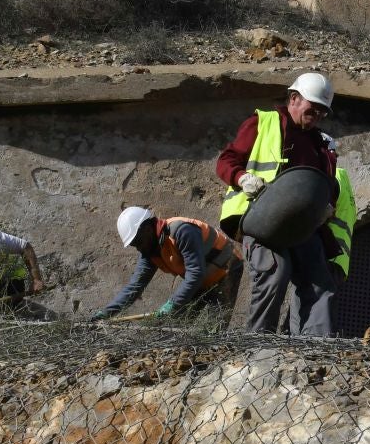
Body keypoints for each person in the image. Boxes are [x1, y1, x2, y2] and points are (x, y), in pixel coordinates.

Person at [217, 72, 340, 334]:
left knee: (319, 282)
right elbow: (226, 161)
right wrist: (242, 178)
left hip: (302, 225)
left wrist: (326, 206)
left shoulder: (321, 146)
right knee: (276, 272)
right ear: (294, 98)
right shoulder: (263, 123)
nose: (316, 115)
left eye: (322, 112)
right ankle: (259, 344)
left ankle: (315, 349)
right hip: (264, 216)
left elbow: (326, 185)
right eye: (313, 108)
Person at [92, 207, 243, 322]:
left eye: (138, 241)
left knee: (213, 327)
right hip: (201, 280)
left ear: (147, 228)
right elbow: (135, 286)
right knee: (178, 324)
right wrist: (107, 312)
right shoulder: (150, 250)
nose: (139, 248)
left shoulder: (182, 231)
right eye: (134, 245)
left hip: (226, 269)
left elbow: (195, 273)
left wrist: (172, 304)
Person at [291, 160, 356, 335]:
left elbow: (318, 208)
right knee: (319, 304)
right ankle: (308, 345)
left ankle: (308, 348)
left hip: (324, 252)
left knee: (312, 304)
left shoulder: (332, 176)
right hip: (339, 260)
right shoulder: (345, 181)